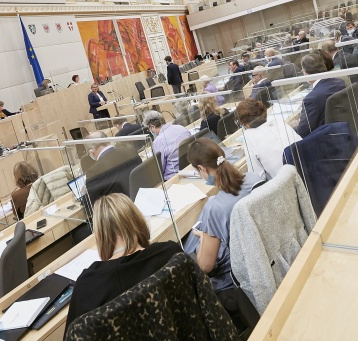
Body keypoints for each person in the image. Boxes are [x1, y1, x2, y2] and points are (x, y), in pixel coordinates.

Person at [65, 193, 182, 330]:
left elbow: (73, 334)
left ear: (101, 235)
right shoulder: (171, 253)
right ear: (138, 220)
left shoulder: (87, 286)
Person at [184, 138, 260, 291]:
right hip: (260, 253)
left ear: (202, 169)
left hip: (236, 278)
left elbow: (205, 266)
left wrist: (205, 236)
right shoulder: (253, 179)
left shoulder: (215, 207)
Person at [236, 98, 300, 180]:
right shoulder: (278, 122)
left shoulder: (249, 136)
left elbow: (258, 176)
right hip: (307, 174)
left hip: (287, 184)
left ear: (246, 125)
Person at [295, 53, 346, 138]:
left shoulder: (311, 99)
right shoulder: (339, 82)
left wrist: (293, 126)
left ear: (306, 74)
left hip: (327, 139)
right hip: (344, 131)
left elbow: (303, 131)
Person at [142, 110, 191, 180]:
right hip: (189, 168)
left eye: (149, 129)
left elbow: (159, 169)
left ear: (152, 127)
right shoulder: (181, 128)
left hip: (173, 179)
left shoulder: (158, 141)